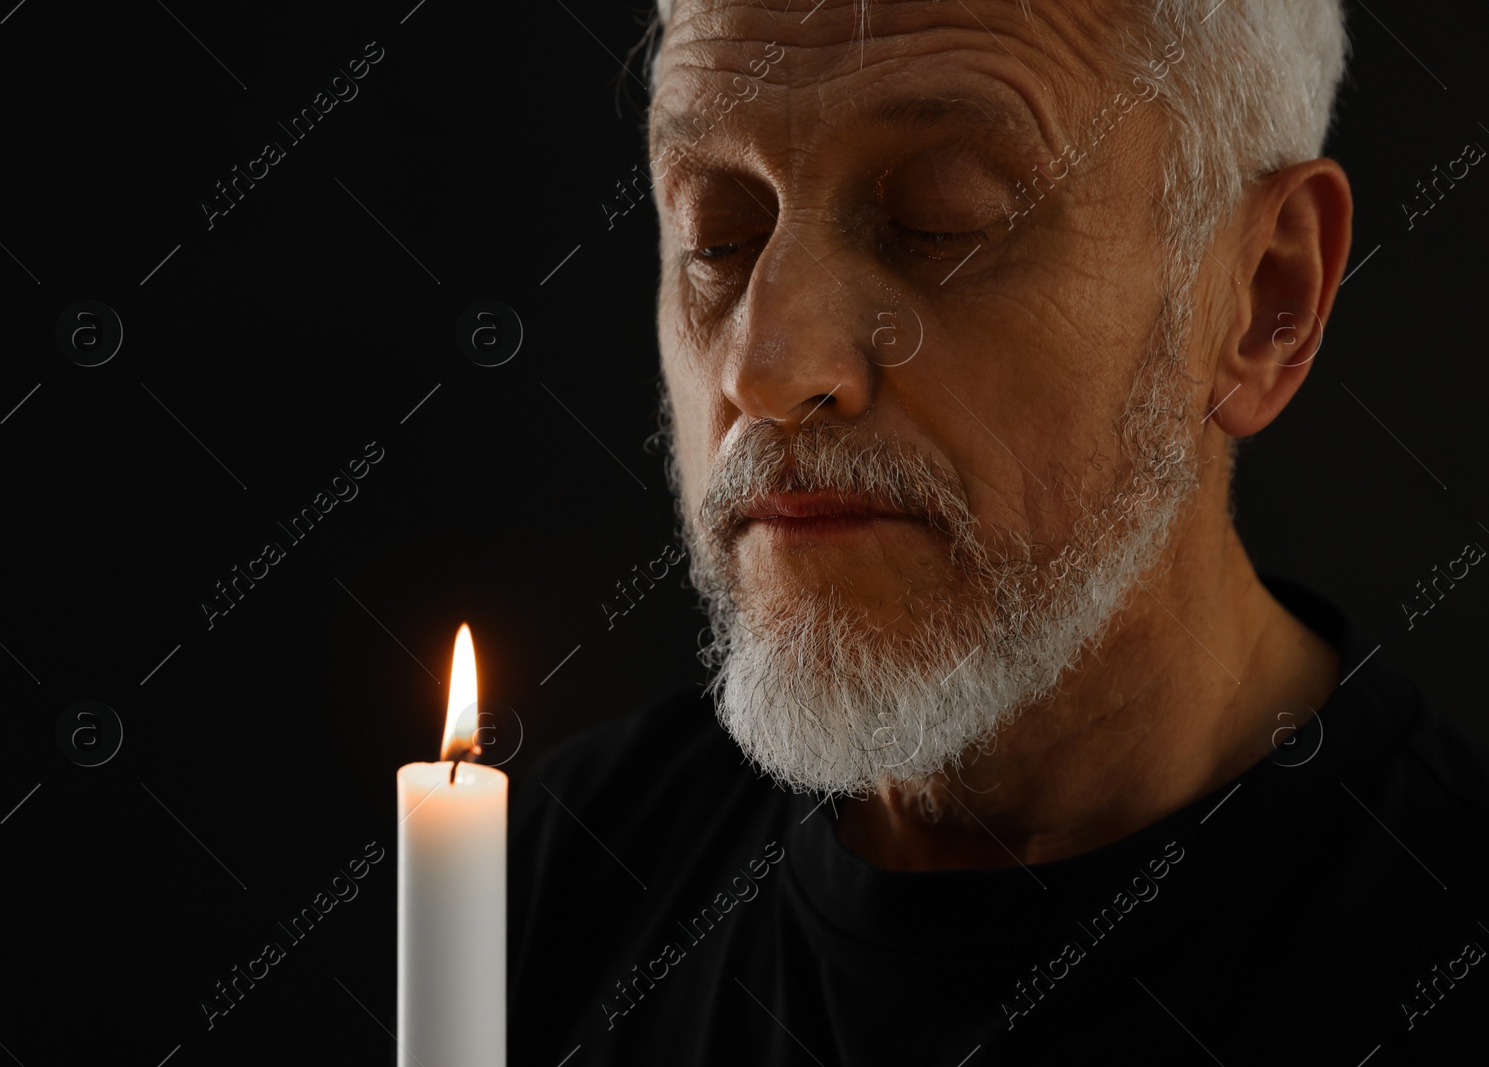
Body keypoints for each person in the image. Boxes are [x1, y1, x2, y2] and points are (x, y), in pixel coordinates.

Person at [509, 1, 1489, 1062]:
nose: (765, 367)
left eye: (940, 222)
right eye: (719, 236)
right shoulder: (546, 889)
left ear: (1261, 299)